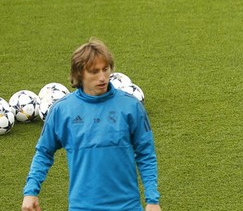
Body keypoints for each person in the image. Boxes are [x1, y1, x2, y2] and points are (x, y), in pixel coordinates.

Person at [22, 38, 162, 211]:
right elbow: (44, 152)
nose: (103, 77)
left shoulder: (131, 106)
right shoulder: (62, 111)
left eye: (105, 69)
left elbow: (146, 154)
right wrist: (30, 192)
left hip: (127, 206)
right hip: (82, 207)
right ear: (80, 74)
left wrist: (152, 200)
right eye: (94, 71)